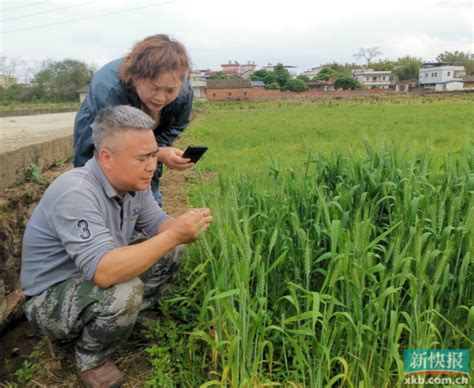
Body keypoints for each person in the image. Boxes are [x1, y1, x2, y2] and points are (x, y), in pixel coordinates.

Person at [21, 105, 212, 387]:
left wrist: (184, 226)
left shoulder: (134, 183)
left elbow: (157, 222)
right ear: (107, 158)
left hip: (94, 273)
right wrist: (173, 235)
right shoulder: (76, 192)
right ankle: (90, 357)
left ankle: (121, 322)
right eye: (143, 158)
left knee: (172, 249)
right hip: (50, 298)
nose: (152, 165)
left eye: (153, 155)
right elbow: (104, 272)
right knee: (125, 288)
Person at [74, 34, 194, 207]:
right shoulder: (108, 88)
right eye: (154, 88)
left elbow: (176, 125)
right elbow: (116, 143)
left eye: (169, 90)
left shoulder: (183, 91)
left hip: (145, 139)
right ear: (136, 76)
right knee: (103, 186)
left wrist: (156, 150)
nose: (160, 97)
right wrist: (158, 153)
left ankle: (147, 214)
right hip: (103, 134)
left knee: (145, 178)